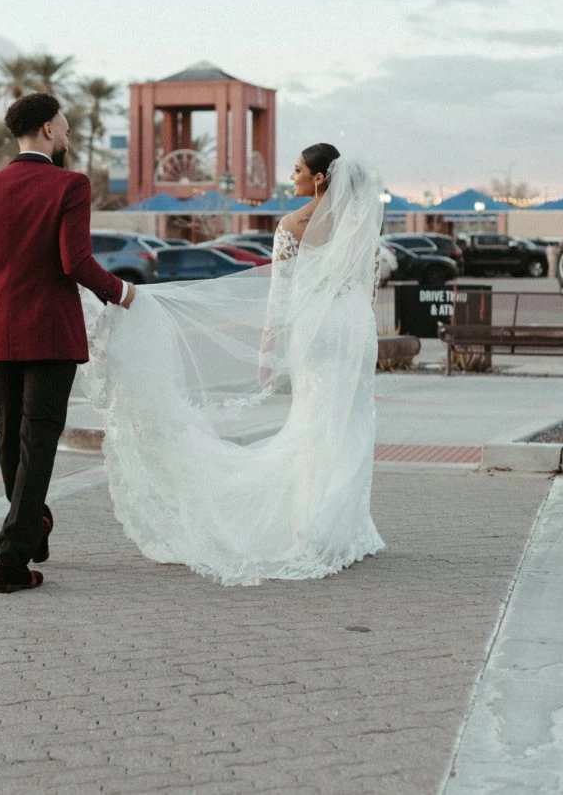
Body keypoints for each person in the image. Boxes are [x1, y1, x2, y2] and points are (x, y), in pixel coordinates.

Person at [82, 143, 384, 586]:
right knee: (352, 422)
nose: (292, 175)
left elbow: (280, 293)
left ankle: (313, 523)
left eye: (298, 169)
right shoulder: (360, 226)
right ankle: (343, 527)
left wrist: (269, 349)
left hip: (314, 330)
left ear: (320, 178)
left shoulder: (292, 225)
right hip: (354, 328)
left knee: (313, 423)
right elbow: (368, 284)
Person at [0, 92, 135, 594]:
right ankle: (12, 560)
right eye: (63, 127)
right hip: (52, 334)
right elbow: (75, 262)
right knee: (38, 441)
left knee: (8, 436)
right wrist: (121, 292)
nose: (66, 135)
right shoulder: (70, 185)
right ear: (45, 131)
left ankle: (32, 528)